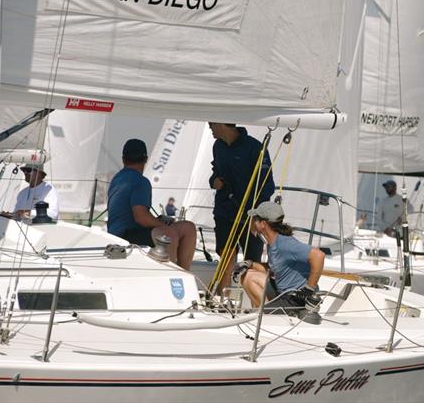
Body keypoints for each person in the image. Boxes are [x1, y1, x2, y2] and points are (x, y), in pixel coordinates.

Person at [107, 139, 196, 270]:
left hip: (120, 234)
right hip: (126, 237)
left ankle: (184, 274)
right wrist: (163, 225)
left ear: (123, 159)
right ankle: (171, 276)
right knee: (168, 234)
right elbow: (141, 217)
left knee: (187, 228)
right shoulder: (141, 182)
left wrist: (158, 221)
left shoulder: (117, 179)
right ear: (146, 159)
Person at [208, 122, 276, 291]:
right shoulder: (218, 146)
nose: (210, 128)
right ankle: (221, 299)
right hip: (224, 211)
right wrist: (213, 181)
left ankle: (254, 304)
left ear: (222, 124)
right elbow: (215, 171)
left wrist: (256, 215)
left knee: (251, 262)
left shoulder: (255, 148)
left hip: (249, 216)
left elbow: (267, 185)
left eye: (211, 125)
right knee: (227, 256)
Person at [236, 202, 324, 317]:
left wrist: (309, 289)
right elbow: (274, 267)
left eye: (255, 219)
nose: (251, 221)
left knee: (259, 310)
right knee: (247, 275)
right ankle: (267, 312)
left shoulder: (285, 244)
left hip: (295, 300)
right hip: (283, 293)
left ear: (263, 224)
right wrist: (248, 264)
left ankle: (266, 316)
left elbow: (318, 255)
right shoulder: (272, 243)